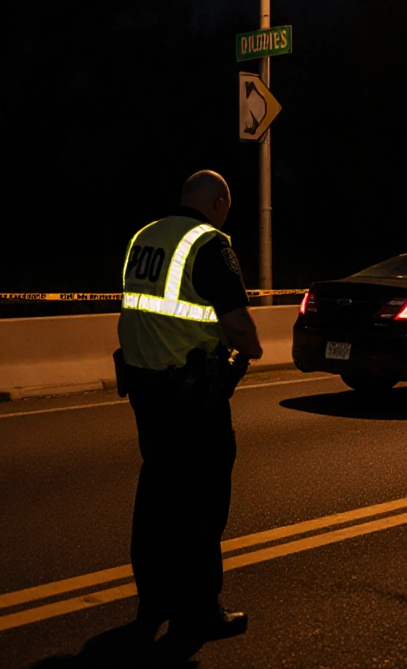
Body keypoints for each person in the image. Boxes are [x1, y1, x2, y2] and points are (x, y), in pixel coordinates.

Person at [114, 169, 263, 652]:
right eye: (228, 205)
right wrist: (253, 348)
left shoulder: (144, 237)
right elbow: (238, 327)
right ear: (218, 202)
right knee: (201, 503)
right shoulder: (209, 244)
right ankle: (197, 612)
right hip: (191, 396)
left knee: (157, 493)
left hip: (145, 388)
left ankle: (154, 601)